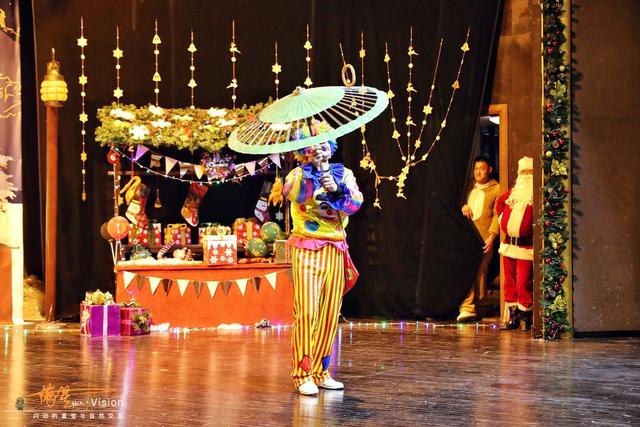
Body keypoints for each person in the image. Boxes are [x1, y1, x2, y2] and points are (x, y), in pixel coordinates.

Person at [283, 135, 363, 396]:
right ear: (305, 150)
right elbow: (295, 194)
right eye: (315, 144)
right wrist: (314, 174)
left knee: (330, 312)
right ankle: (302, 374)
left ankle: (320, 371)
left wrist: (336, 188)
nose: (321, 147)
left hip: (335, 247)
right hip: (307, 246)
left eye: (325, 142)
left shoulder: (344, 173)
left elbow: (355, 204)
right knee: (307, 311)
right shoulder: (298, 174)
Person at [457, 156, 501, 322]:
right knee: (467, 271)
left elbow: (497, 215)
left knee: (480, 273)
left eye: (482, 168)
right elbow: (458, 201)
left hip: (483, 239)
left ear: (489, 169)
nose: (478, 172)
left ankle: (477, 305)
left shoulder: (496, 188)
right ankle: (467, 307)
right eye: (476, 168)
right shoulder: (468, 186)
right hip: (467, 237)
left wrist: (492, 236)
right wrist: (463, 205)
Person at [496, 156, 534, 332]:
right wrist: (502, 220)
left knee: (523, 283)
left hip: (526, 247)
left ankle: (526, 317)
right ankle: (513, 318)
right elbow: (499, 205)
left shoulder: (535, 194)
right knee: (509, 283)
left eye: (529, 172)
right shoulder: (512, 193)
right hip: (509, 245)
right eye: (523, 172)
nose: (526, 175)